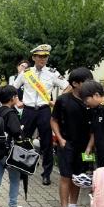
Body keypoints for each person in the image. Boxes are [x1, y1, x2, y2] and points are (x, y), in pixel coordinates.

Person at [13, 44, 70, 185]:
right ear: (33, 57)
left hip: (44, 110)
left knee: (46, 143)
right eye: (40, 56)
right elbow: (12, 88)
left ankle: (46, 174)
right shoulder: (26, 72)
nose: (43, 59)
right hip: (28, 110)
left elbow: (67, 87)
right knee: (23, 140)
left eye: (45, 56)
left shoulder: (52, 73)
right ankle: (22, 169)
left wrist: (57, 101)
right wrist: (16, 101)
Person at [51, 67, 93, 207]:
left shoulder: (91, 100)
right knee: (65, 176)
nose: (89, 85)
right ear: (75, 83)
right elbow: (53, 120)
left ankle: (73, 206)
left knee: (78, 177)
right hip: (66, 143)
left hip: (86, 146)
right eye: (86, 82)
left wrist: (90, 146)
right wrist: (60, 139)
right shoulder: (63, 100)